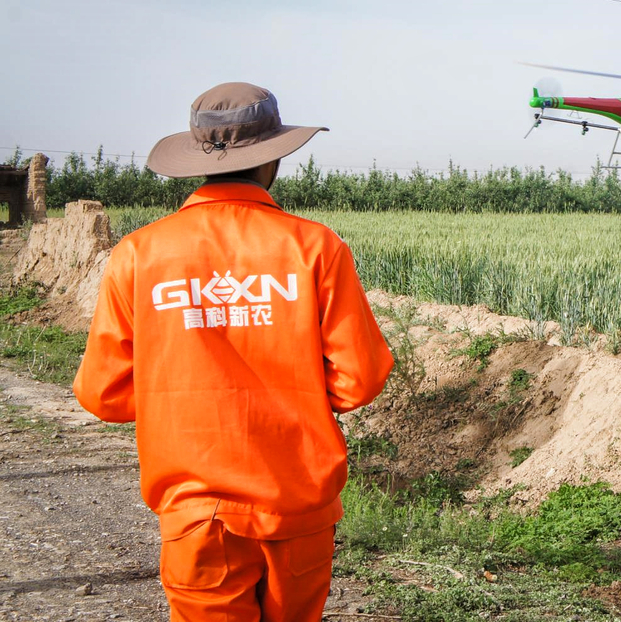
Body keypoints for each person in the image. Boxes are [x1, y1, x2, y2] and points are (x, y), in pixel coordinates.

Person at [73, 82, 394, 621]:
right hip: (299, 505)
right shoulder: (315, 247)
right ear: (272, 160)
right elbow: (357, 381)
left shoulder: (139, 254)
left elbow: (104, 394)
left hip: (196, 514)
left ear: (199, 158)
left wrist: (178, 397)